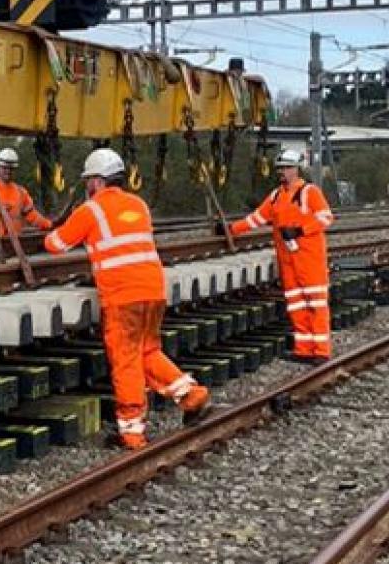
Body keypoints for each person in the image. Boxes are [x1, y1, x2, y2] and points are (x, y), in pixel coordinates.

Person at [45, 147, 211, 449]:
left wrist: (61, 223)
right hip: (153, 289)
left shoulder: (91, 210)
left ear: (97, 181)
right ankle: (192, 395)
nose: (86, 186)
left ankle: (131, 432)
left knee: (126, 359)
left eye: (88, 181)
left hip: (123, 295)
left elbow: (55, 244)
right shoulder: (139, 204)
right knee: (147, 350)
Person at [229, 147, 335, 362]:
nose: (282, 172)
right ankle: (304, 349)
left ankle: (321, 351)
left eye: (287, 168)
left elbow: (326, 218)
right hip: (288, 259)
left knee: (315, 303)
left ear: (297, 169)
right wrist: (231, 229)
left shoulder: (309, 192)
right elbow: (257, 218)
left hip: (309, 258)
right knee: (296, 304)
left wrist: (300, 230)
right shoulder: (276, 195)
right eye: (281, 168)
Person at [0, 147, 54, 241]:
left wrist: (49, 225)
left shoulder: (21, 192)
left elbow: (32, 216)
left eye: (11, 168)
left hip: (15, 243)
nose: (8, 171)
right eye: (5, 168)